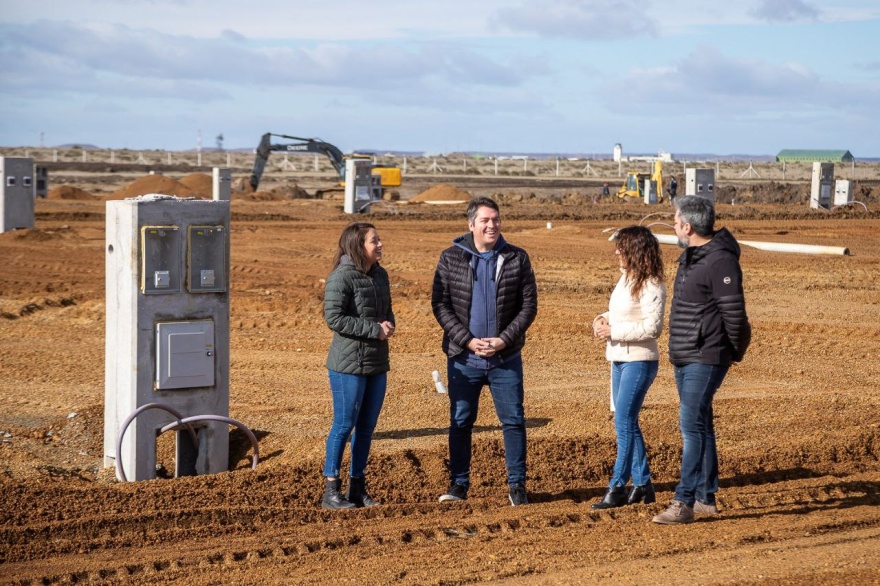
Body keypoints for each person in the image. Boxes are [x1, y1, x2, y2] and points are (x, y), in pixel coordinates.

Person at [431, 197, 538, 507]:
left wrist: (504, 340)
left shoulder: (517, 258)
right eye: (485, 220)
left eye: (496, 219)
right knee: (461, 421)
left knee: (514, 420)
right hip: (465, 359)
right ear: (471, 225)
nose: (492, 225)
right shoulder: (451, 258)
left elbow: (528, 306)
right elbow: (440, 304)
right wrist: (466, 340)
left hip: (505, 358)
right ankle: (459, 484)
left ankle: (517, 486)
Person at [652, 196, 751, 525]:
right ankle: (706, 499)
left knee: (691, 427)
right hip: (685, 354)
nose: (674, 225)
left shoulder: (720, 261)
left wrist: (731, 352)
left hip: (706, 356)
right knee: (702, 425)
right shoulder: (691, 256)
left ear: (688, 227)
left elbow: (734, 314)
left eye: (676, 220)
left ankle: (685, 501)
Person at [590, 226, 667, 510]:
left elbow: (652, 327)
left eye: (622, 248)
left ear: (635, 251)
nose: (616, 253)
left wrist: (613, 330)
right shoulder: (626, 280)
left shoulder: (652, 284)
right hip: (619, 359)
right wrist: (600, 319)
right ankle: (643, 484)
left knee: (623, 423)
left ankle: (618, 486)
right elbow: (619, 312)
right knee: (627, 421)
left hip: (640, 360)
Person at [321, 222, 396, 510]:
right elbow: (334, 318)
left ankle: (357, 488)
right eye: (374, 240)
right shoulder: (342, 277)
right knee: (343, 425)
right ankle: (331, 491)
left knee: (366, 428)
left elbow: (386, 309)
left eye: (379, 239)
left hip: (376, 363)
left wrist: (388, 324)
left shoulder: (381, 275)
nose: (380, 244)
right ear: (358, 246)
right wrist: (373, 329)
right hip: (347, 365)